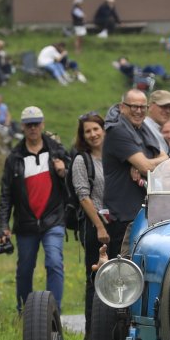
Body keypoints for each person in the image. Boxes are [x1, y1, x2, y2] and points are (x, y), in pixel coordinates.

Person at [0, 106, 73, 312]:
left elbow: (74, 181)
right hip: (25, 223)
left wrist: (63, 172)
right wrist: (3, 226)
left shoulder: (57, 151)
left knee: (54, 262)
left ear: (42, 124)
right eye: (29, 125)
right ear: (22, 127)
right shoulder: (14, 158)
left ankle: (53, 313)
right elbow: (6, 194)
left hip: (53, 219)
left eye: (36, 124)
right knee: (24, 269)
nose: (33, 128)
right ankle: (24, 313)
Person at [103, 88, 168, 256]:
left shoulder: (142, 129)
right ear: (122, 107)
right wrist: (144, 164)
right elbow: (147, 167)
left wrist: (144, 163)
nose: (138, 111)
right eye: (133, 106)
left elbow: (165, 158)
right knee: (122, 267)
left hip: (143, 214)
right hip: (123, 216)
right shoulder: (117, 131)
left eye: (142, 107)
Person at [69, 112, 108, 323]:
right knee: (95, 278)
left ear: (103, 130)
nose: (93, 134)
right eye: (88, 131)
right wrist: (100, 226)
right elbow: (83, 196)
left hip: (117, 224)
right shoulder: (81, 160)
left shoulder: (114, 157)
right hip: (95, 227)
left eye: (96, 129)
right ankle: (92, 333)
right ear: (82, 136)